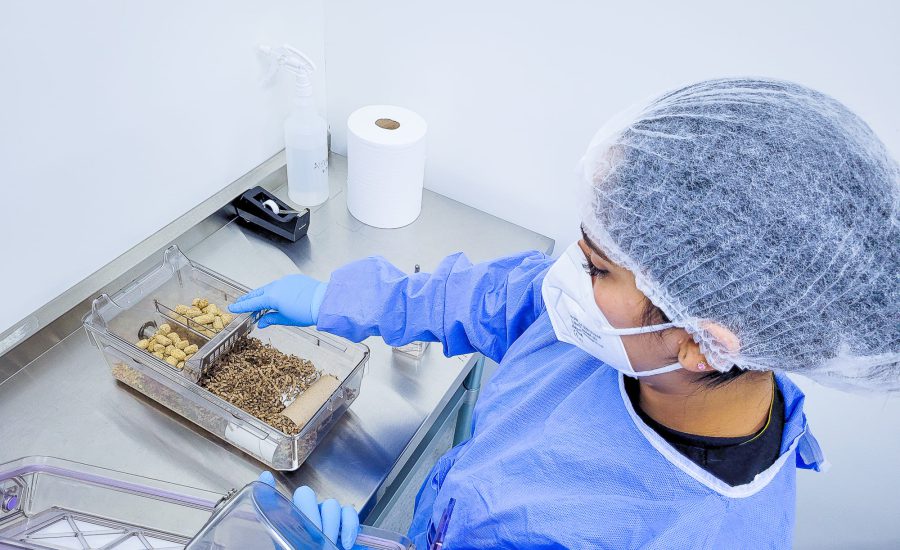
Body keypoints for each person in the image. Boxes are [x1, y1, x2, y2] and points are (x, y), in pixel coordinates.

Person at [232, 78, 899, 549]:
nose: (566, 280)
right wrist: (340, 302)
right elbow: (496, 296)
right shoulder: (631, 341)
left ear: (702, 342)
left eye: (599, 269)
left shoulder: (682, 530)